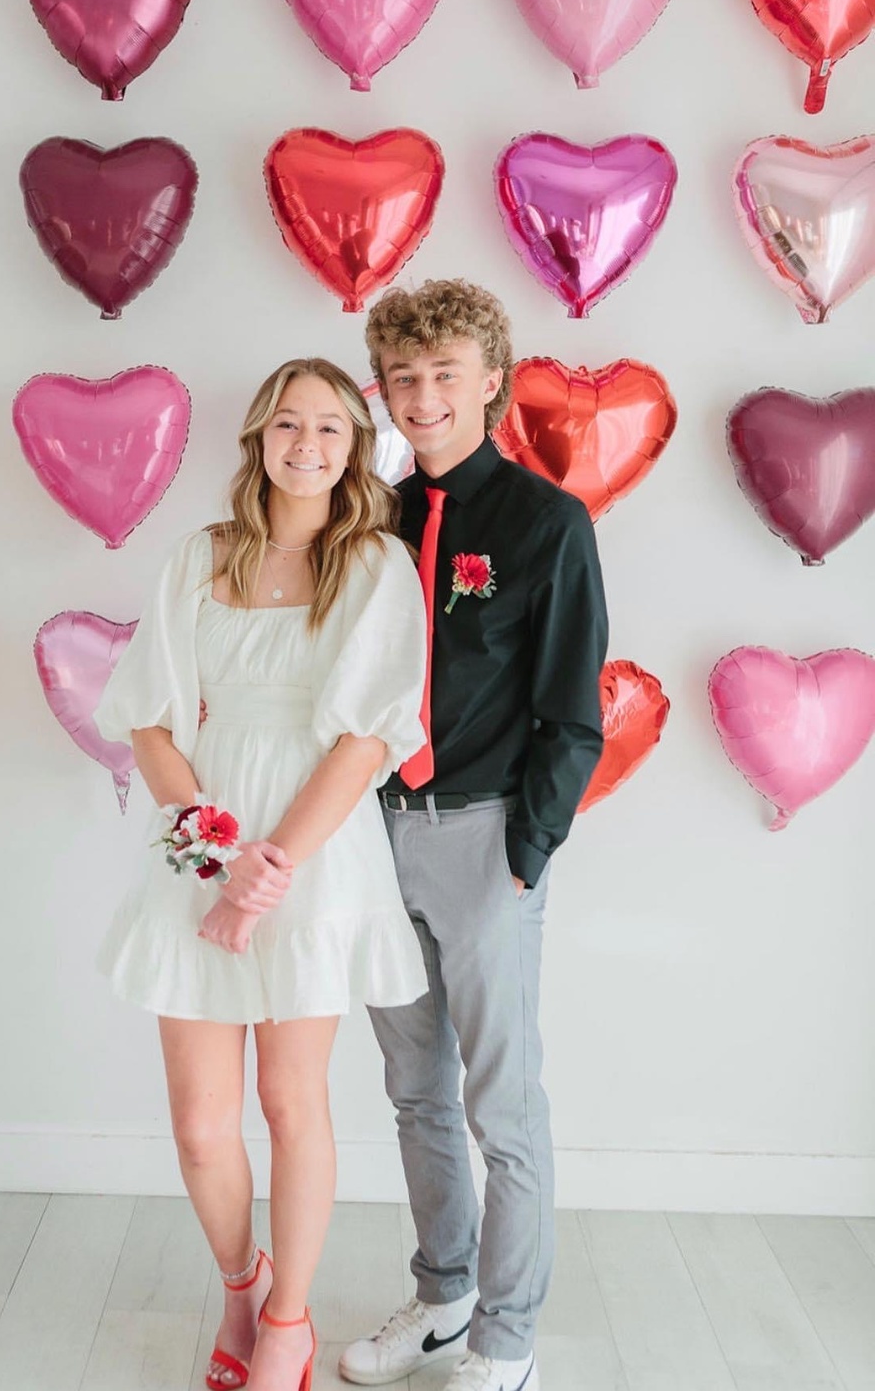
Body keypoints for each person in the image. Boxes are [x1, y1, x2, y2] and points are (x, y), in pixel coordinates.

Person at [93, 358, 429, 1391]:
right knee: (201, 1126)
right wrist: (217, 855)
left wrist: (269, 868)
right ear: (258, 439)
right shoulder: (199, 557)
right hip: (203, 836)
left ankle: (288, 1322)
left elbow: (368, 739)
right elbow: (149, 721)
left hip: (314, 848)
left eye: (329, 427)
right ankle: (243, 1283)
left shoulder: (373, 564)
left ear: (353, 448)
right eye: (289, 424)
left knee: (290, 1101)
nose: (307, 444)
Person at [338, 281, 609, 1391]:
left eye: (444, 373)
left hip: (485, 839)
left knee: (504, 1103)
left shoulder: (547, 524)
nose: (423, 396)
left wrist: (525, 853)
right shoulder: (371, 520)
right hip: (374, 835)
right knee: (415, 1091)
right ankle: (442, 1297)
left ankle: (505, 1339)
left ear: (489, 380)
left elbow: (572, 710)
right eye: (403, 377)